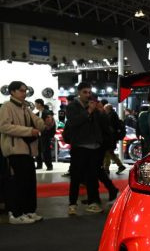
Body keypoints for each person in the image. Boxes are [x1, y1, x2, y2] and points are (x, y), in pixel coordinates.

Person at [0, 81, 53, 224]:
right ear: (12, 92)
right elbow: (4, 127)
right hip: (15, 150)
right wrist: (29, 131)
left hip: (28, 150)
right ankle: (15, 214)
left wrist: (46, 124)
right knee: (18, 184)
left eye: (25, 91)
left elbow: (37, 122)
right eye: (21, 90)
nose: (24, 93)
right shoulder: (6, 107)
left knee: (29, 183)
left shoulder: (26, 107)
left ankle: (29, 211)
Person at [64, 83, 104, 215]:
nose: (88, 95)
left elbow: (100, 124)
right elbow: (73, 122)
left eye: (89, 92)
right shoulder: (72, 106)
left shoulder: (92, 106)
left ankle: (93, 202)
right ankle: (72, 204)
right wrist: (88, 111)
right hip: (79, 146)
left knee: (92, 177)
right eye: (85, 92)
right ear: (79, 92)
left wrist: (100, 111)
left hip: (94, 146)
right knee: (76, 177)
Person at [102, 103, 126, 174]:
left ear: (108, 109)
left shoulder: (110, 116)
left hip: (110, 138)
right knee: (110, 153)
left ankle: (106, 168)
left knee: (107, 152)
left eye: (105, 109)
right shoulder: (113, 115)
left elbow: (109, 128)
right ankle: (119, 166)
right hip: (112, 138)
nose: (104, 110)